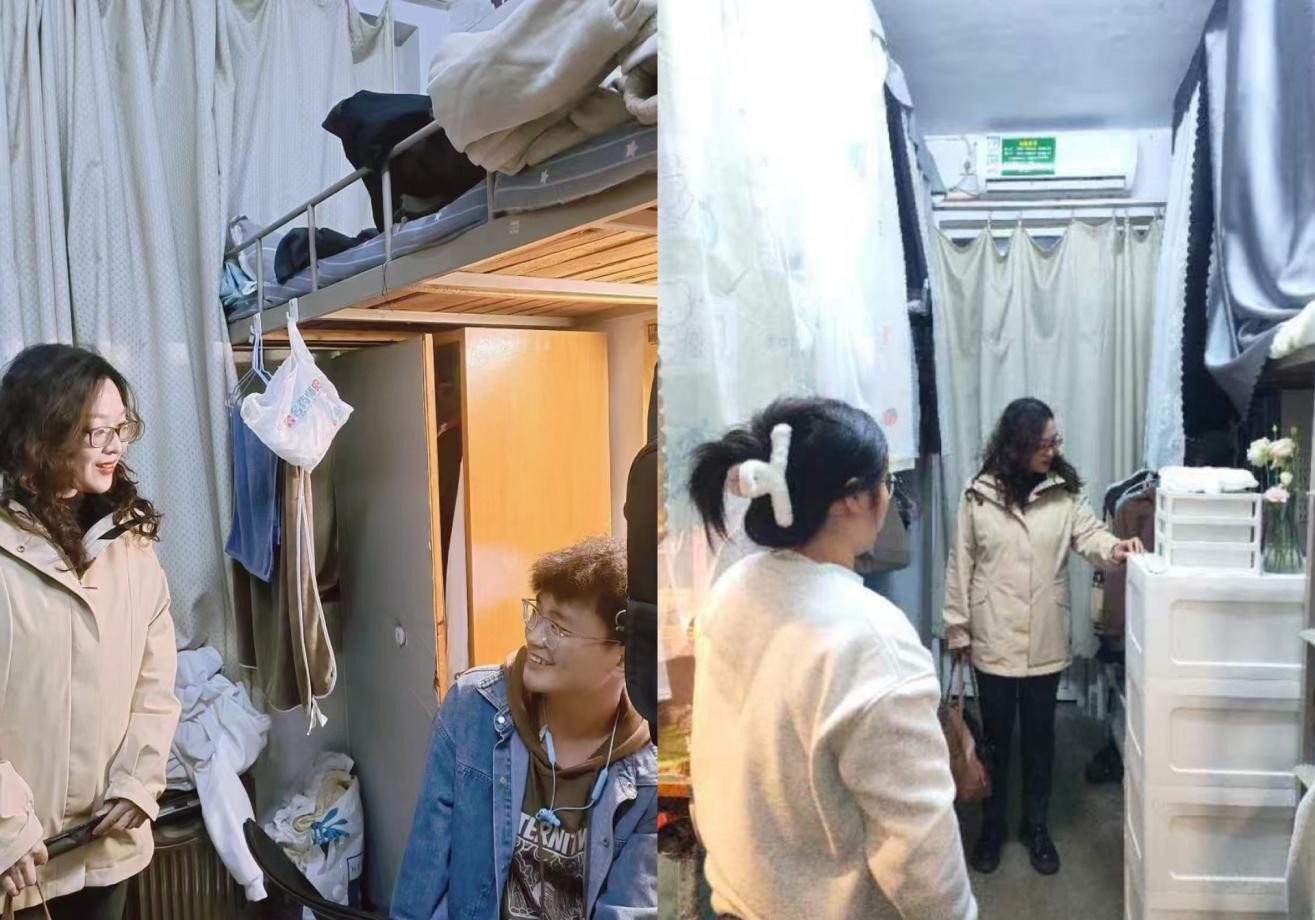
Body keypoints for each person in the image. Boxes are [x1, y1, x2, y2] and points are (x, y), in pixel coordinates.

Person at [686, 396, 977, 920]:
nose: (888, 498)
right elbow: (921, 854)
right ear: (852, 499)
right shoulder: (871, 640)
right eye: (886, 483)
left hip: (732, 897)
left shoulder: (733, 588)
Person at [0, 345, 181, 919]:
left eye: (121, 428)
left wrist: (140, 780)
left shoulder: (130, 542)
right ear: (42, 434)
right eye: (97, 432)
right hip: (18, 860)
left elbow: (155, 683)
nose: (116, 447)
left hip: (106, 848)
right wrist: (5, 825)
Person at [392, 536, 656, 919]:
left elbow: (628, 909)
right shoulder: (473, 708)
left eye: (559, 628)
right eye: (537, 614)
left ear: (621, 657)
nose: (534, 637)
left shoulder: (650, 775)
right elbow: (422, 879)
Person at [943, 397, 1142, 878]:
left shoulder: (1063, 492)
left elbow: (1089, 535)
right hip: (992, 634)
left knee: (1039, 738)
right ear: (1017, 446)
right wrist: (957, 626)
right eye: (1043, 444)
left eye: (1056, 441)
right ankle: (992, 827)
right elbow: (960, 563)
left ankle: (1036, 827)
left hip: (1045, 636)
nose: (1053, 451)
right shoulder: (978, 495)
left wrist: (1115, 547)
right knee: (995, 739)